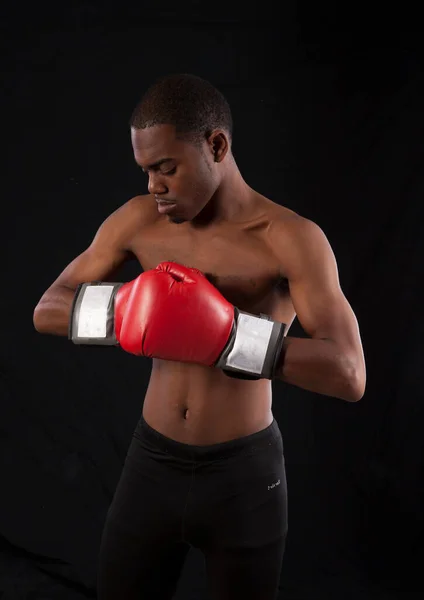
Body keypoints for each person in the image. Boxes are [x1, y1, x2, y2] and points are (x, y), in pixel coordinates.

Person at [33, 73, 366, 600]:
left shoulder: (290, 238)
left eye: (166, 168)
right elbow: (47, 309)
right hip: (152, 464)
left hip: (245, 477)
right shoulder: (140, 221)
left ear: (216, 145)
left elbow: (349, 373)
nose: (152, 186)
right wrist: (128, 309)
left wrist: (228, 337)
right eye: (145, 171)